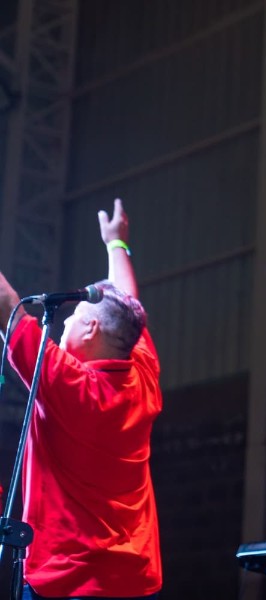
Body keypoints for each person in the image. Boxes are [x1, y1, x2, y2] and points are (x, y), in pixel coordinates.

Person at [0, 198, 163, 599]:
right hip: (134, 582)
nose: (62, 324)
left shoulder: (69, 386)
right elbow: (126, 301)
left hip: (67, 583)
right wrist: (116, 244)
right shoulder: (141, 373)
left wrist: (116, 243)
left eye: (71, 318)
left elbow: (6, 304)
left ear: (90, 329)